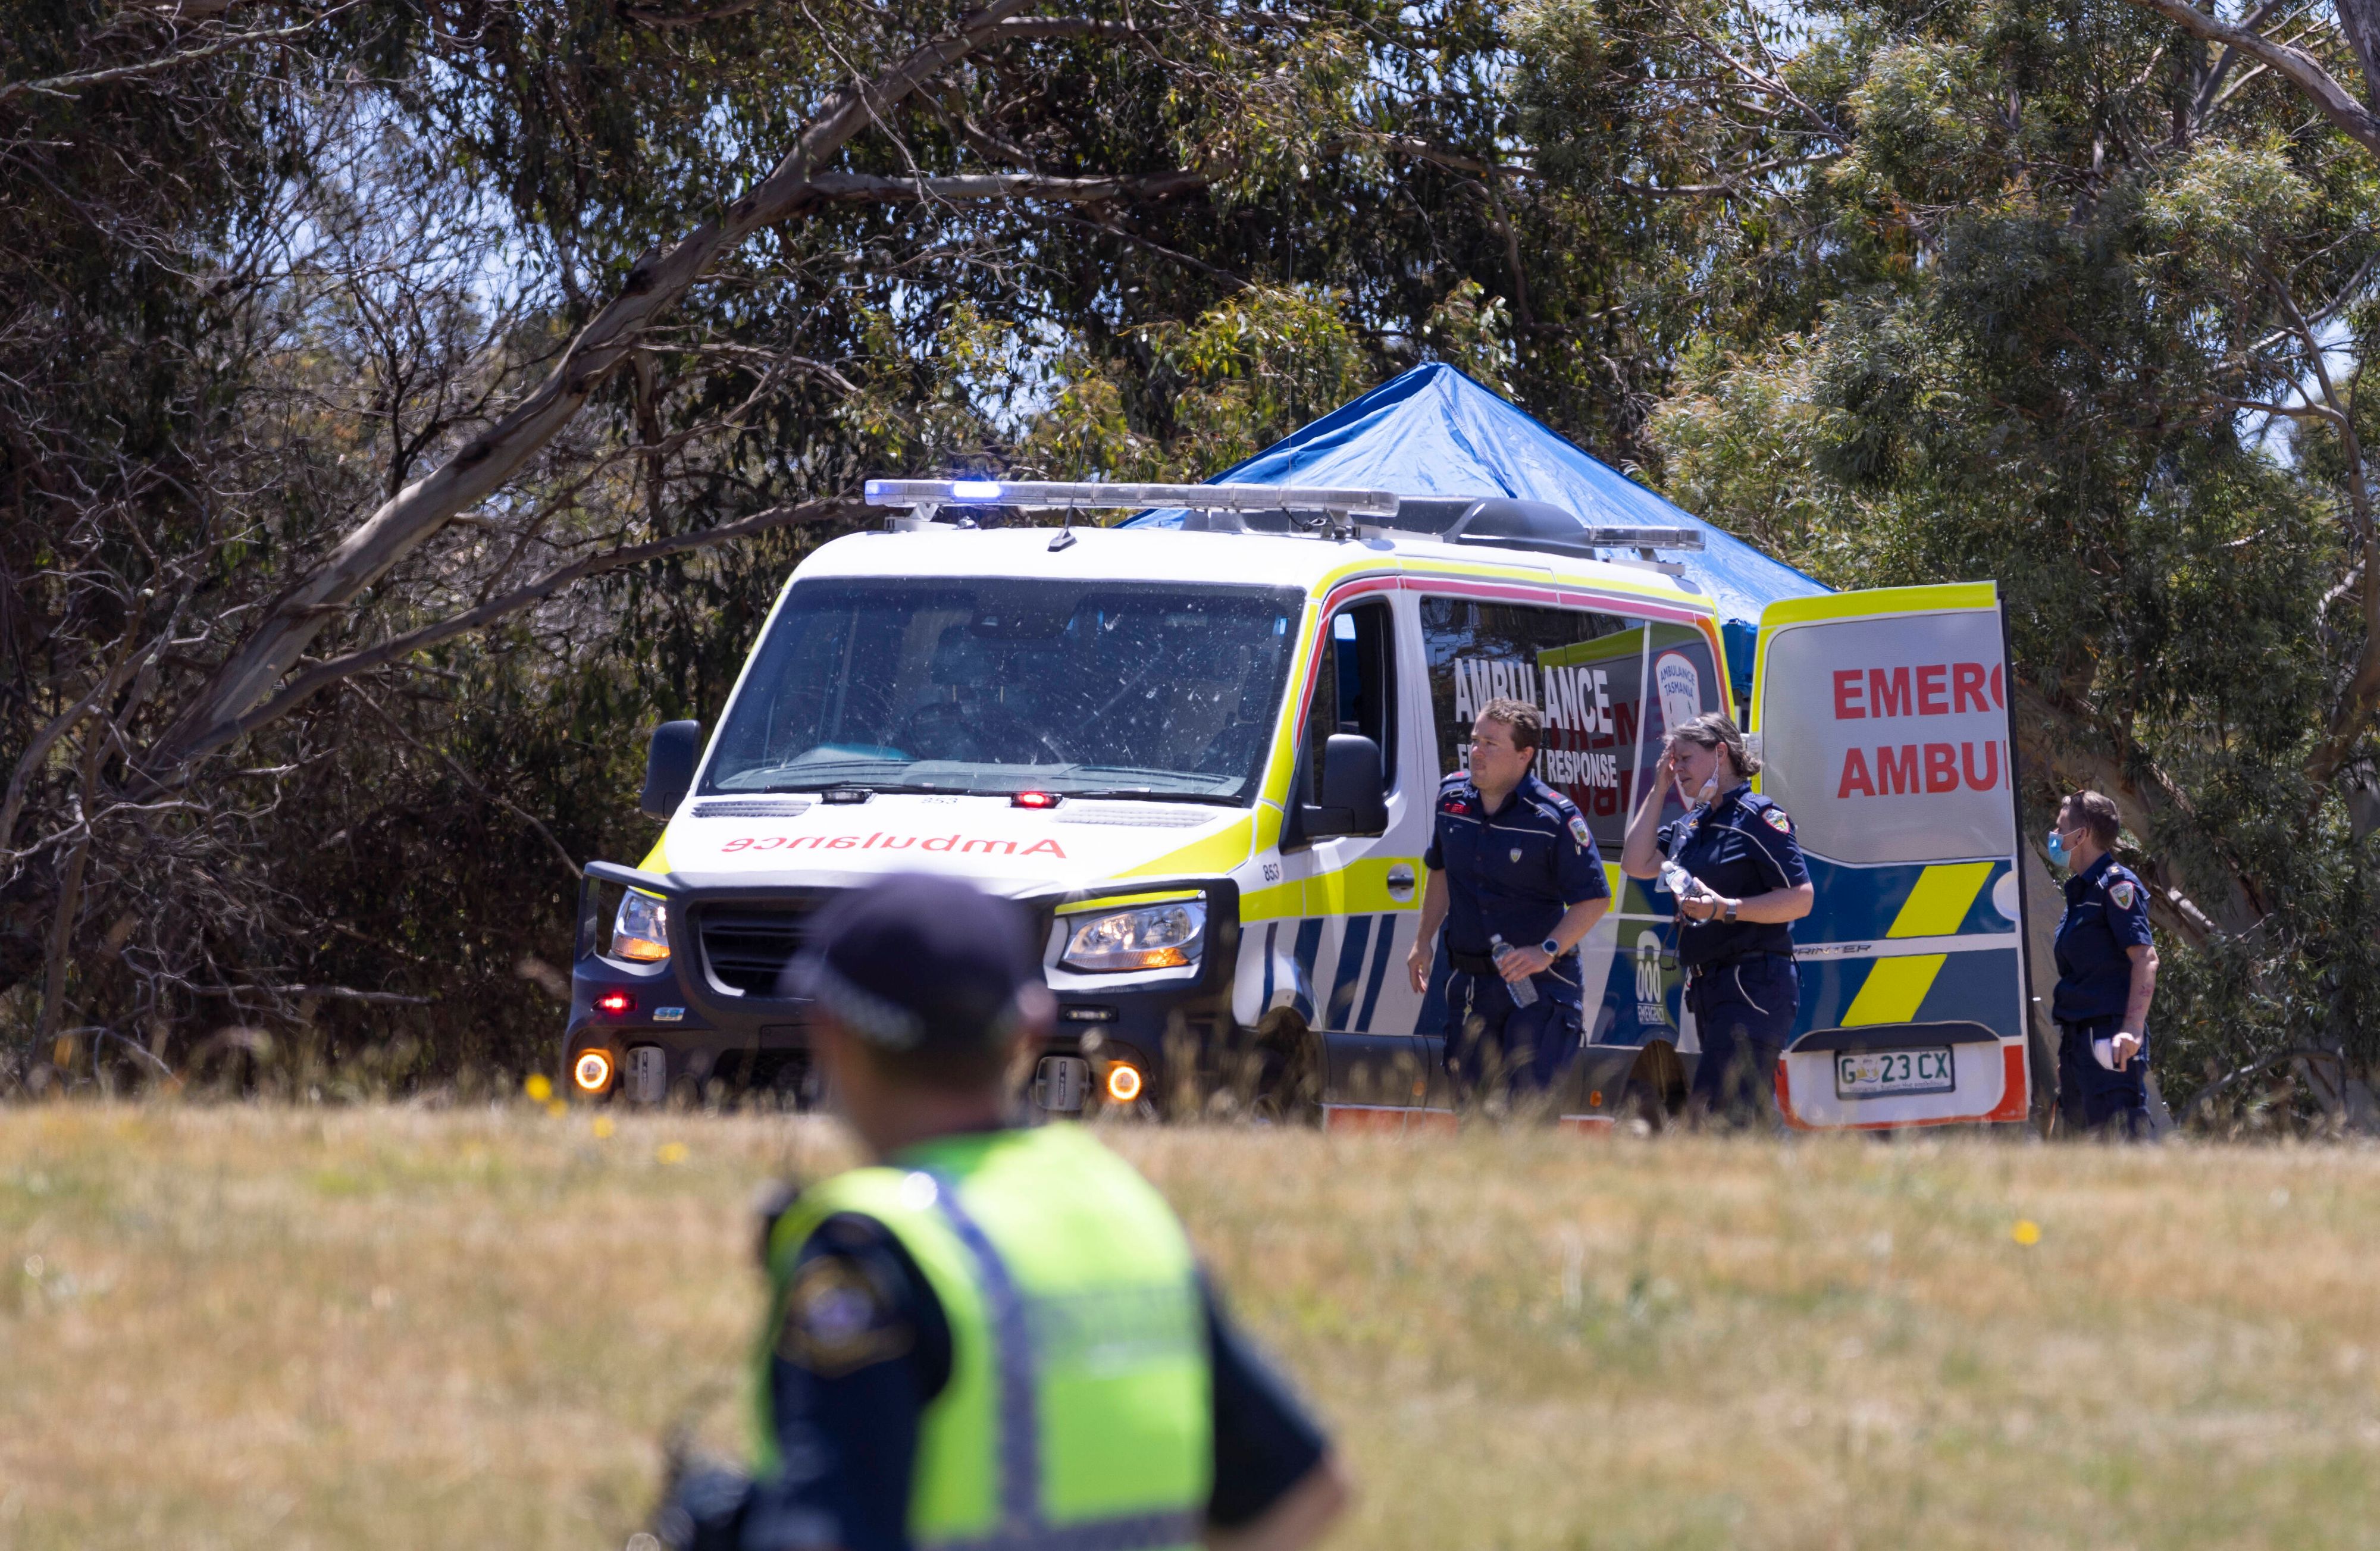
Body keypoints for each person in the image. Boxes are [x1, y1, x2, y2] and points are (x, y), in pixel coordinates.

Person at [657, 871, 1351, 1551]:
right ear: (1025, 1034)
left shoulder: (869, 1252)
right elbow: (1310, 1490)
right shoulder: (1126, 1210)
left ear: (830, 1034)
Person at [1404, 697, 1611, 1105]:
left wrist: (1547, 950)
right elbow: (1440, 868)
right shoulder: (1451, 799)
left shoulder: (1554, 817)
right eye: (1474, 740)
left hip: (1541, 988)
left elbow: (1594, 899)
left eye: (1490, 744)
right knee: (1473, 1114)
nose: (1476, 751)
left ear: (1524, 755)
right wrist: (1423, 938)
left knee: (1526, 1113)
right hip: (1473, 985)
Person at [1620, 712, 1813, 1125]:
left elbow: (1801, 898)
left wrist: (1724, 907)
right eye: (1673, 761)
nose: (1679, 769)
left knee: (1714, 1113)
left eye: (1686, 758)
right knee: (1746, 1116)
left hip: (1755, 982)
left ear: (1720, 752)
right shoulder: (1692, 824)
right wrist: (1659, 789)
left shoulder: (1759, 817)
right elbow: (1635, 862)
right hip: (1709, 987)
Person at [2047, 791, 2158, 1138]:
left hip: (2109, 1037)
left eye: (2060, 826)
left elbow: (2146, 958)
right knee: (2078, 1152)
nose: (2054, 834)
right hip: (2079, 1039)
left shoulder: (2117, 885)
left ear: (2081, 835)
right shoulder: (2082, 891)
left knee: (2121, 1141)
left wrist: (2132, 1029)